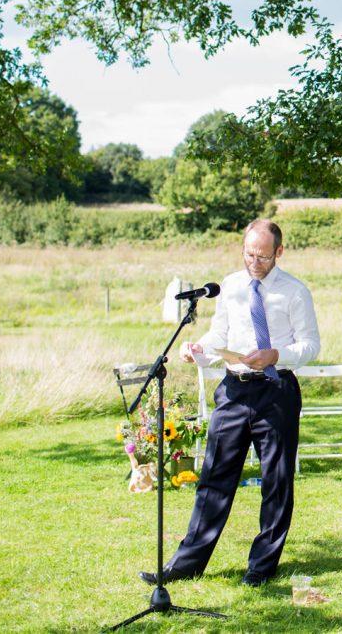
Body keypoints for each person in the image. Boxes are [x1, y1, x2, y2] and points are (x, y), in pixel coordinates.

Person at [139, 218, 319, 587]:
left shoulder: (295, 292)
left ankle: (262, 567)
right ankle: (185, 565)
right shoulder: (232, 286)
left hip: (277, 391)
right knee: (214, 479)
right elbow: (221, 332)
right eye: (249, 254)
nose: (255, 262)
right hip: (233, 391)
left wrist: (276, 354)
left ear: (279, 252)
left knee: (277, 481)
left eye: (264, 256)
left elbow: (311, 345)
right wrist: (200, 351)